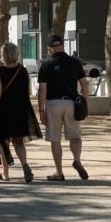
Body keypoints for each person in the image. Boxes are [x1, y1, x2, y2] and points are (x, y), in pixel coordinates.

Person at [38, 34, 89, 181]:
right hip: (72, 103)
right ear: (63, 46)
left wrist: (41, 110)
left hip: (53, 104)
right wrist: (86, 103)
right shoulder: (75, 62)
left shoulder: (46, 65)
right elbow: (84, 84)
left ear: (50, 49)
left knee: (55, 139)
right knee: (75, 136)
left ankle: (59, 172)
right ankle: (77, 160)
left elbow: (42, 89)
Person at [0, 42, 40, 182]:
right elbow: (28, 92)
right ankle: (25, 166)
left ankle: (5, 174)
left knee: (4, 143)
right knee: (19, 142)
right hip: (21, 109)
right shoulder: (23, 70)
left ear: (3, 54)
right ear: (16, 53)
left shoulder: (0, 71)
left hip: (5, 110)